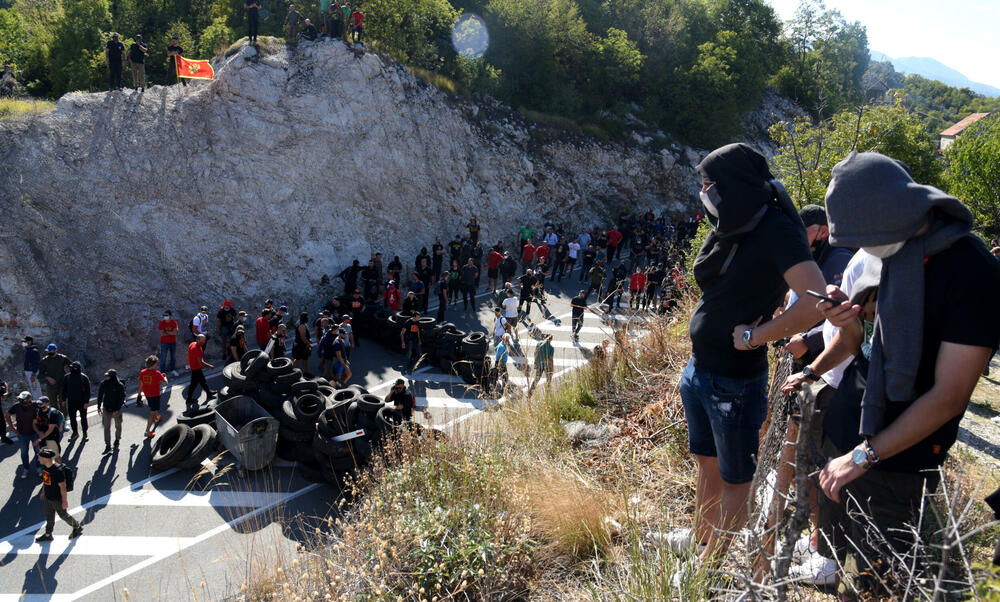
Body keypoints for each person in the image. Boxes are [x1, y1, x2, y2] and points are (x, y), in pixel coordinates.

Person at [812, 152, 1000, 598]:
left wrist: (863, 457)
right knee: (840, 561)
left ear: (890, 217)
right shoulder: (896, 250)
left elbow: (950, 396)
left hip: (898, 459)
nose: (861, 249)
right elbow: (866, 342)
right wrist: (844, 317)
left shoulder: (973, 273)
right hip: (851, 425)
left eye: (863, 237)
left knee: (883, 581)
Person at [664, 143, 826, 584]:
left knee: (737, 481)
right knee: (707, 461)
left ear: (732, 184)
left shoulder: (776, 227)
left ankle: (706, 570)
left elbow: (815, 302)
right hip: (701, 370)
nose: (704, 191)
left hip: (734, 381)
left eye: (709, 184)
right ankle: (701, 538)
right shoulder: (735, 220)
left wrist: (757, 336)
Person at [34, 448, 83, 543]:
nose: (38, 459)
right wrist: (43, 492)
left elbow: (63, 487)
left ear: (46, 458)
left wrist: (64, 501)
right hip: (48, 496)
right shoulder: (45, 467)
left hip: (57, 498)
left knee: (64, 515)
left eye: (39, 457)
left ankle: (77, 527)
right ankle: (48, 534)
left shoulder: (57, 470)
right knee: (49, 516)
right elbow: (45, 480)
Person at [6, 392, 39, 479]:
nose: (20, 400)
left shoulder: (35, 405)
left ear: (29, 399)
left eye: (22, 399)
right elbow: (7, 415)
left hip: (35, 433)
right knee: (24, 453)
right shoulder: (16, 406)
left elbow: (46, 408)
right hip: (22, 434)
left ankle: (39, 468)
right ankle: (26, 468)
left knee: (38, 452)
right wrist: (13, 429)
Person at [138, 355, 168, 438]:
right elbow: (165, 383)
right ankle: (147, 431)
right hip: (155, 395)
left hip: (148, 395)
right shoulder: (157, 373)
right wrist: (165, 377)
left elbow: (141, 383)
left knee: (153, 408)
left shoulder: (142, 372)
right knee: (152, 412)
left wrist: (139, 393)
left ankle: (157, 417)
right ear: (154, 364)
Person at [97, 369, 125, 454]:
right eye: (106, 376)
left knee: (118, 425)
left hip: (117, 409)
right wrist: (98, 406)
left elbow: (121, 398)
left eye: (108, 376)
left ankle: (117, 440)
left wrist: (116, 410)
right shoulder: (104, 384)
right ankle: (108, 445)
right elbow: (100, 395)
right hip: (107, 408)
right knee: (106, 427)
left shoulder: (119, 385)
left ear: (113, 376)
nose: (106, 377)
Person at [38, 343, 71, 416]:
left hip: (62, 384)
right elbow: (40, 375)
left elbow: (71, 366)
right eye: (48, 351)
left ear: (55, 350)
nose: (49, 352)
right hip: (51, 386)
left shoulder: (63, 358)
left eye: (51, 351)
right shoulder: (44, 361)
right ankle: (55, 419)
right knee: (53, 404)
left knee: (63, 402)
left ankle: (64, 418)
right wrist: (47, 378)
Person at [61, 362, 91, 441]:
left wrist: (86, 402)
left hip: (82, 402)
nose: (71, 369)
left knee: (83, 418)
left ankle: (85, 433)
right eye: (70, 367)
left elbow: (88, 391)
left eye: (73, 368)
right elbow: (64, 389)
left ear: (77, 368)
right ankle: (75, 433)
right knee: (72, 418)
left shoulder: (84, 377)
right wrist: (63, 399)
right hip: (71, 402)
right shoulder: (67, 377)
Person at [186, 335, 215, 413]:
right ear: (198, 340)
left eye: (204, 340)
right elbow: (201, 363)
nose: (204, 342)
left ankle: (208, 393)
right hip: (196, 369)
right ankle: (189, 399)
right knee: (198, 383)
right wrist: (210, 366)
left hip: (194, 367)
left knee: (199, 382)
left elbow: (189, 355)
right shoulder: (197, 349)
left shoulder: (192, 344)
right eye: (202, 340)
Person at [33, 396, 64, 463]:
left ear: (47, 403)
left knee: (56, 456)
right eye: (38, 404)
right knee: (45, 458)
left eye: (41, 404)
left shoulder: (53, 413)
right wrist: (38, 432)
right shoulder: (37, 412)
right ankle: (49, 471)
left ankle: (60, 470)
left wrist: (39, 439)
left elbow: (50, 429)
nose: (39, 405)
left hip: (52, 437)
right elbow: (34, 424)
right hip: (42, 439)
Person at [158, 310, 180, 376]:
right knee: (163, 357)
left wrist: (166, 332)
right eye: (164, 315)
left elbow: (175, 332)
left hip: (173, 342)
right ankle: (162, 372)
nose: (165, 316)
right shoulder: (161, 323)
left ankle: (172, 370)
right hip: (164, 343)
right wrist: (171, 333)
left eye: (166, 315)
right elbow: (161, 334)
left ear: (170, 316)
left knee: (173, 357)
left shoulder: (174, 322)